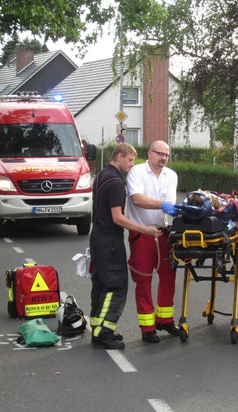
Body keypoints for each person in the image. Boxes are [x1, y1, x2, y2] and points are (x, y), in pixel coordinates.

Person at [89, 143, 161, 350]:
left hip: (98, 237)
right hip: (110, 240)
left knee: (101, 284)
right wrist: (144, 230)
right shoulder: (116, 184)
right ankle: (104, 333)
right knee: (116, 285)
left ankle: (98, 327)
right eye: (130, 160)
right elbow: (118, 217)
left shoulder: (102, 175)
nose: (132, 164)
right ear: (119, 157)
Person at [126, 140, 180, 343]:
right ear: (149, 154)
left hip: (163, 232)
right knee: (143, 279)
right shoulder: (137, 172)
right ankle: (147, 327)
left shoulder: (171, 175)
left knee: (168, 276)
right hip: (141, 233)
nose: (163, 158)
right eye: (159, 154)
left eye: (166, 155)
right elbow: (137, 199)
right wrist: (162, 204)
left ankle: (165, 319)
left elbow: (171, 205)